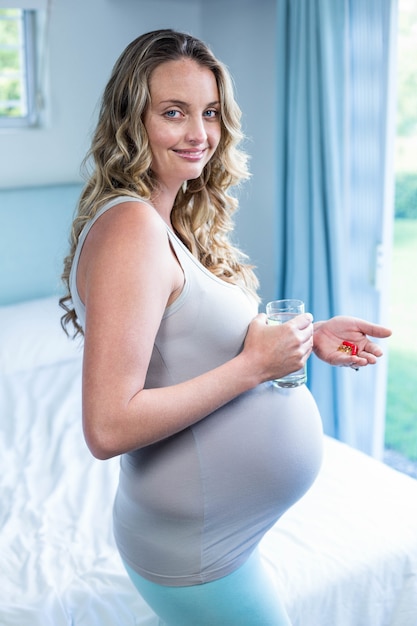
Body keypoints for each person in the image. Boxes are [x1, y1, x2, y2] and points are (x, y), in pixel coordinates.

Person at [60, 29, 391, 626]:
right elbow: (107, 427)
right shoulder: (132, 229)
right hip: (196, 549)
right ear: (130, 120)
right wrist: (254, 367)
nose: (199, 134)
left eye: (210, 113)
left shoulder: (164, 219)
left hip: (214, 534)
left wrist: (297, 346)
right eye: (174, 112)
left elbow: (191, 345)